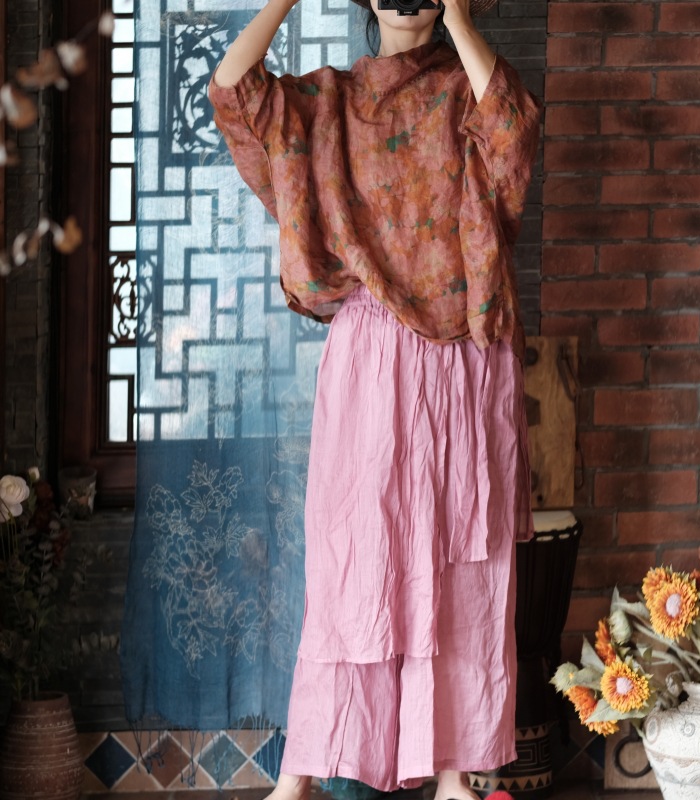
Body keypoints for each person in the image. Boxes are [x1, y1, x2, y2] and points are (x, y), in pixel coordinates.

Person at [208, 1, 541, 798]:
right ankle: (302, 774)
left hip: (463, 352)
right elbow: (232, 88)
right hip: (373, 351)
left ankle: (454, 775)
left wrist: (457, 18)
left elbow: (513, 136)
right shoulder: (329, 101)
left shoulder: (469, 89)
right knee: (354, 561)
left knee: (462, 562)